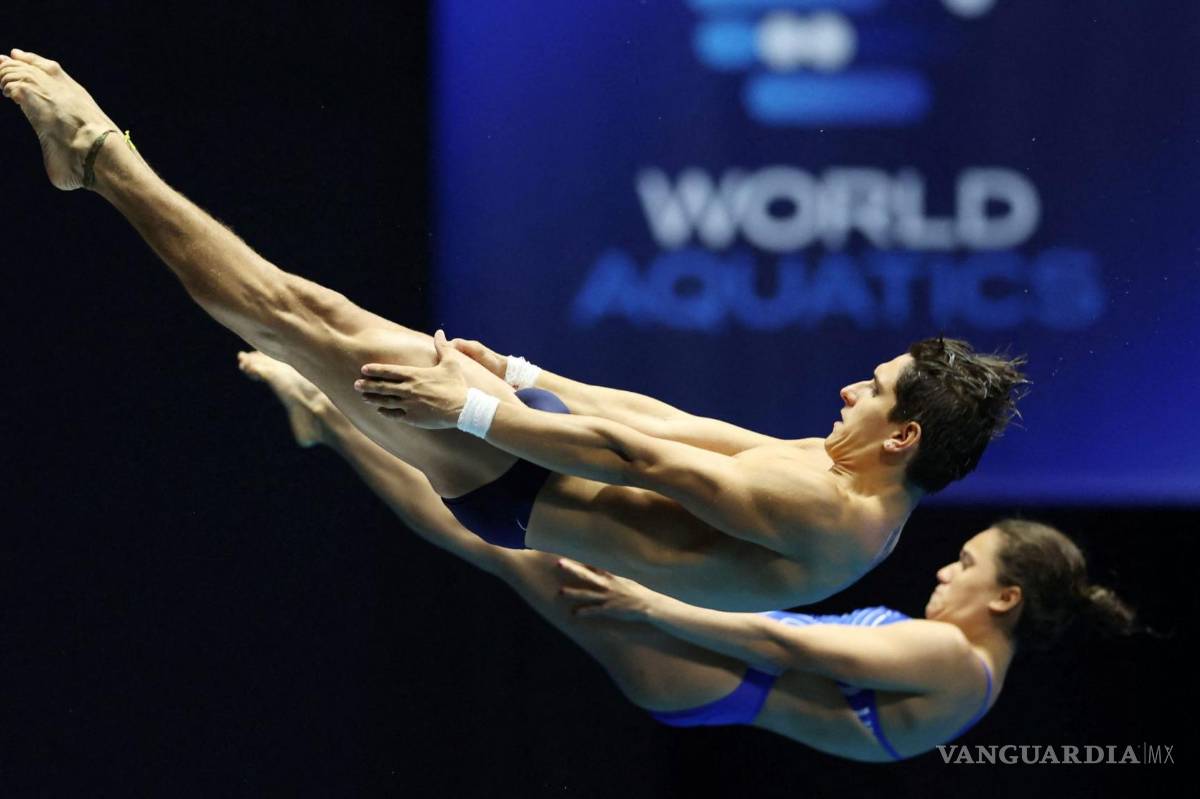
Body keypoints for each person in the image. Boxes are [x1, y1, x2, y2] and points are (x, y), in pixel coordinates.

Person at [1, 50, 1026, 610]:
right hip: (523, 470)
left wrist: (483, 411)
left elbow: (639, 456)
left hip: (517, 476)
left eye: (875, 388)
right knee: (310, 316)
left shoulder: (829, 508)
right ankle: (323, 404)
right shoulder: (840, 476)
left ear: (904, 437)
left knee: (291, 308)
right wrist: (527, 374)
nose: (852, 389)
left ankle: (94, 153)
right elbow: (673, 421)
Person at [239, 351, 1134, 762]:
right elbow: (684, 434)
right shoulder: (961, 674)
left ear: (1006, 599)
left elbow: (787, 647)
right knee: (499, 545)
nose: (946, 572)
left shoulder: (954, 660)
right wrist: (528, 379)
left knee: (500, 546)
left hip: (707, 670)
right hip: (712, 666)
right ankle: (332, 423)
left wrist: (651, 606)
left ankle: (332, 421)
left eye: (967, 566)